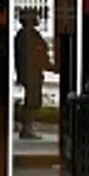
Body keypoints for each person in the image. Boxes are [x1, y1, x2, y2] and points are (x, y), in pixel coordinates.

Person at [13, 8, 52, 139]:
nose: (38, 19)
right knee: (32, 101)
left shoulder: (26, 35)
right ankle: (26, 128)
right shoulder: (26, 35)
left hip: (31, 72)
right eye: (35, 16)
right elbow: (35, 55)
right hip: (31, 73)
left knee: (33, 100)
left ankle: (27, 127)